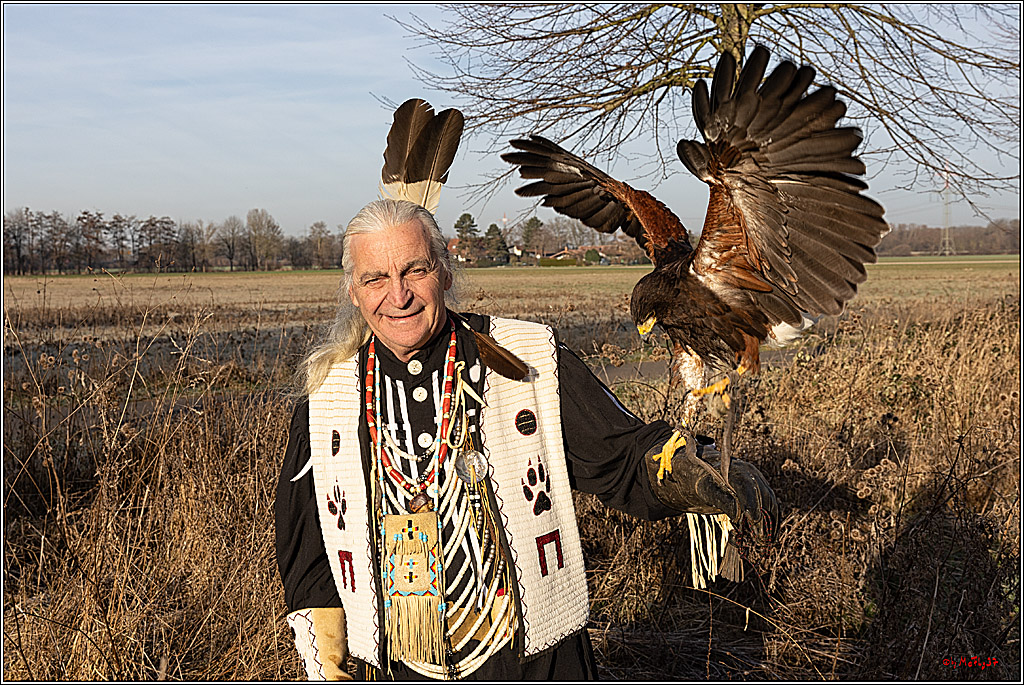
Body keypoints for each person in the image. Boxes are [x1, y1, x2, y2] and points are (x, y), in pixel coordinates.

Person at [275, 198, 778, 680]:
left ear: (445, 272)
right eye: (376, 278)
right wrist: (334, 668)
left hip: (530, 661)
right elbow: (310, 557)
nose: (398, 295)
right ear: (353, 291)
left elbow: (618, 454)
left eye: (415, 270)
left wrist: (683, 474)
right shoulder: (328, 399)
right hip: (397, 667)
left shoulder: (526, 357)